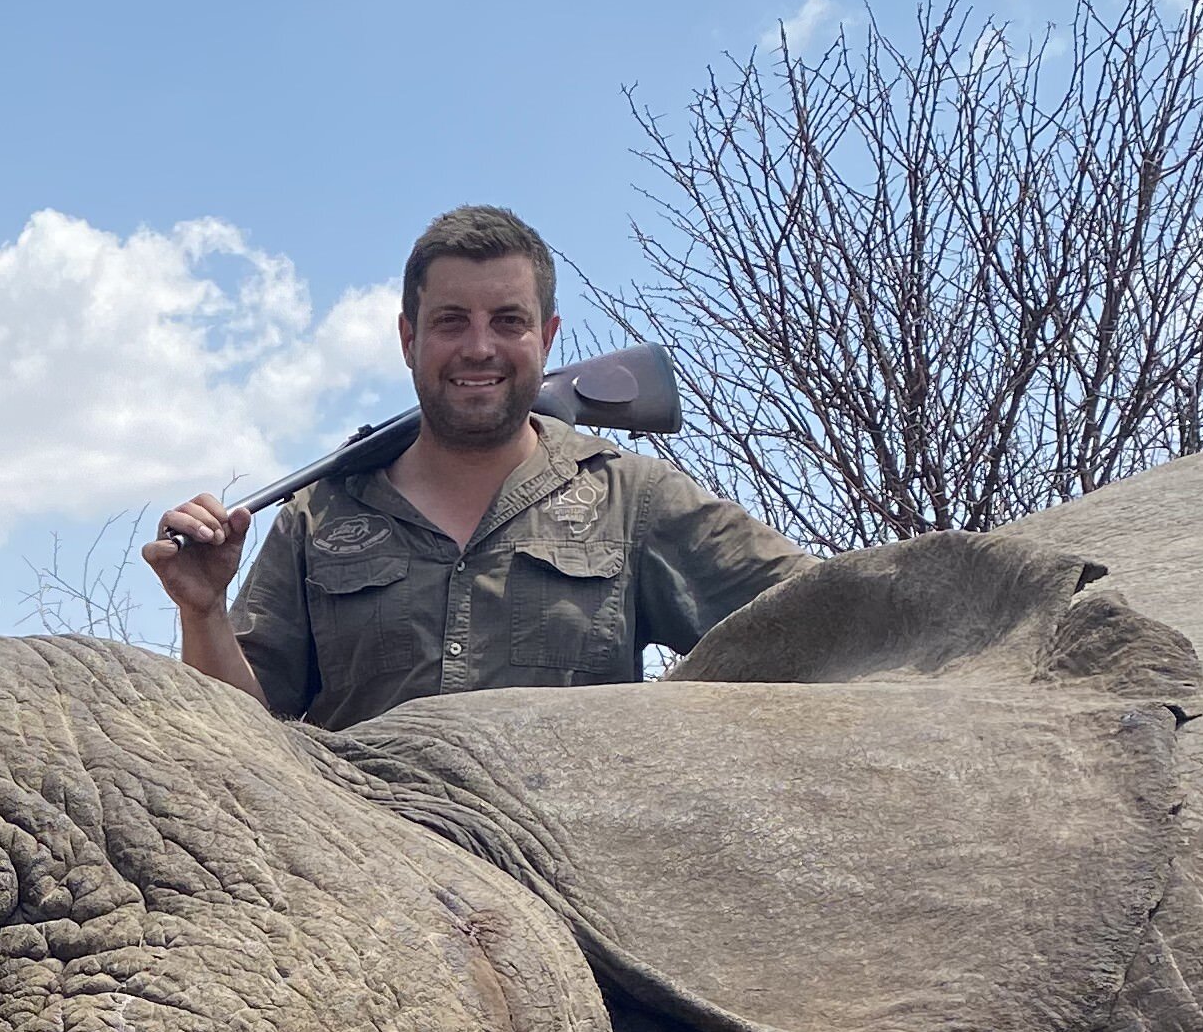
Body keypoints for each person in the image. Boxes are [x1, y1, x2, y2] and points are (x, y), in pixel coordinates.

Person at [146, 204, 806, 731]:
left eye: (508, 321)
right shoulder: (318, 517)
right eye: (452, 322)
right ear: (410, 339)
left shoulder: (635, 497)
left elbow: (825, 614)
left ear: (546, 341)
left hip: (567, 891)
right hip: (362, 888)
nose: (480, 348)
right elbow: (237, 736)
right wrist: (203, 612)